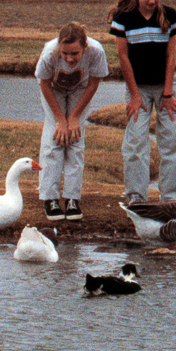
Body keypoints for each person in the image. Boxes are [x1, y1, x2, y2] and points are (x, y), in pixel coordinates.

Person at [109, 0, 176, 204]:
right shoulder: (123, 18)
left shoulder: (170, 16)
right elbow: (123, 58)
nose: (152, 1)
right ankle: (136, 196)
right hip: (138, 87)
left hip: (166, 84)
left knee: (174, 141)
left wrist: (168, 94)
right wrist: (134, 96)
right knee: (135, 141)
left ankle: (171, 197)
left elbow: (170, 56)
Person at [34, 22, 109, 221]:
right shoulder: (49, 53)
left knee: (75, 139)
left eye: (74, 53)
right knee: (55, 139)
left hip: (80, 89)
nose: (69, 58)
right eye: (65, 53)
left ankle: (72, 198)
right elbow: (44, 83)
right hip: (54, 90)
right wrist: (60, 119)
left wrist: (74, 117)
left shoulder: (96, 52)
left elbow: (93, 84)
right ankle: (50, 198)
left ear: (84, 47)